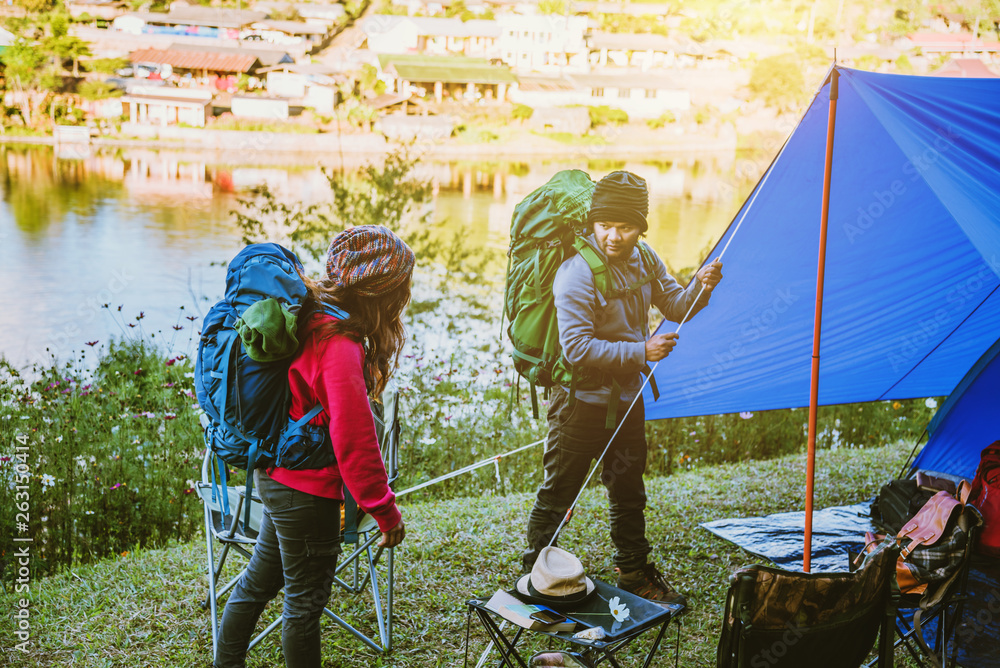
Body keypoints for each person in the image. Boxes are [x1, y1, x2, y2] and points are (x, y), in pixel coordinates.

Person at [215, 225, 414, 668]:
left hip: (279, 480)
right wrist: (384, 510)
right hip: (306, 492)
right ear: (380, 293)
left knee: (257, 585)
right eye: (401, 289)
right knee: (304, 605)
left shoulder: (311, 313)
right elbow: (355, 438)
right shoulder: (338, 344)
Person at [523, 171, 723, 606]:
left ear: (640, 228)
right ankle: (535, 575)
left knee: (629, 491)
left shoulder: (645, 258)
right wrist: (642, 351)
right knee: (558, 495)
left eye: (625, 227)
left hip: (627, 402)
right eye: (605, 225)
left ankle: (634, 572)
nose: (614, 236)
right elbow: (575, 348)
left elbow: (674, 305)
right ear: (592, 224)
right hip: (577, 405)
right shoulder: (576, 272)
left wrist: (702, 288)